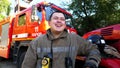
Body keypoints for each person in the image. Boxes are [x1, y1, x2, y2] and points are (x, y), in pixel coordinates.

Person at [22, 11, 101, 68]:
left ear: (65, 24)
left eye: (62, 19)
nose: (59, 21)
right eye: (55, 18)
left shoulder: (75, 39)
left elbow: (94, 49)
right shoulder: (36, 42)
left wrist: (91, 64)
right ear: (49, 23)